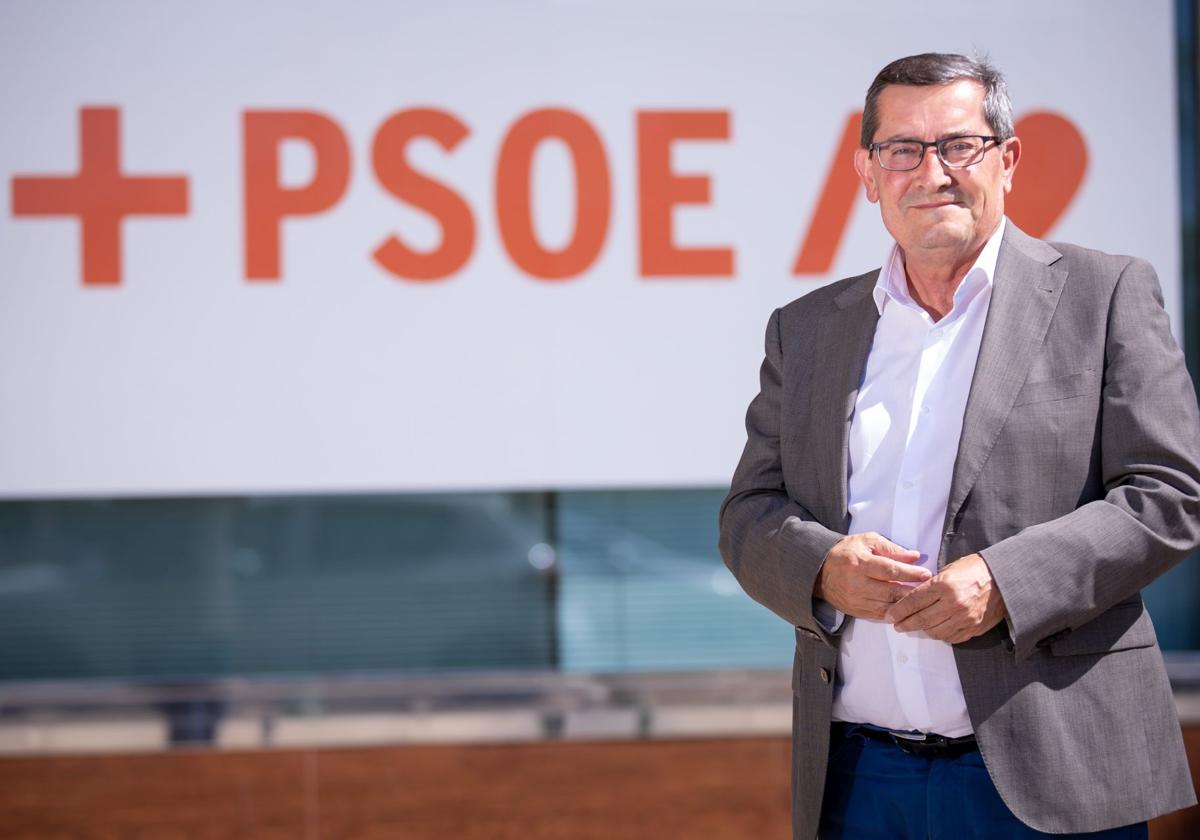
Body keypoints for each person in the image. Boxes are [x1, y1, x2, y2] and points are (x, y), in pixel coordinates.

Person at [718, 52, 1200, 840]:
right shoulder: (804, 330)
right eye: (903, 149)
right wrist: (823, 568)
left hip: (1052, 768)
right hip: (859, 781)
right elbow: (749, 513)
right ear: (868, 173)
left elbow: (1169, 493)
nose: (931, 171)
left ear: (1007, 160)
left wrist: (1007, 582)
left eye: (959, 146)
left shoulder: (1103, 295)